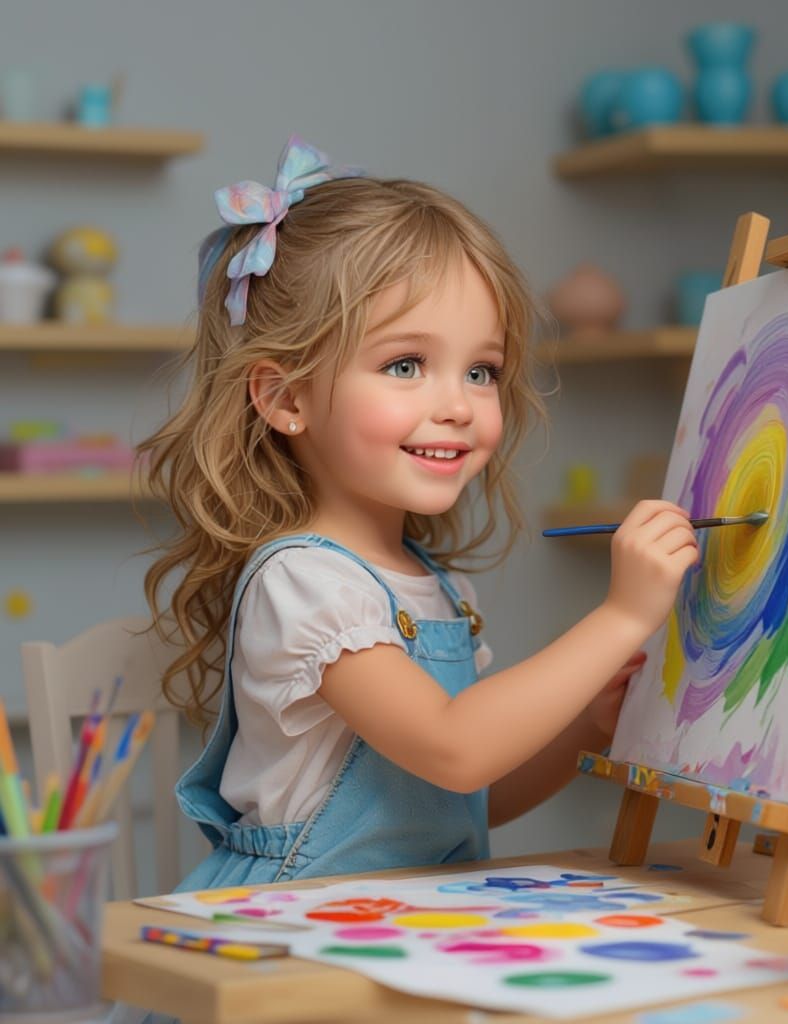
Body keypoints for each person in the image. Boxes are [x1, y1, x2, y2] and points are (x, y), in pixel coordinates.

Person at [143, 136, 698, 892]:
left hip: (396, 921)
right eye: (406, 365)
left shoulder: (437, 590)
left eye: (482, 371)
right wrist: (622, 616)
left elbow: (467, 795)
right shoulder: (304, 584)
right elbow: (455, 748)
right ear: (285, 398)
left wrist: (582, 731)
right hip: (280, 938)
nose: (458, 406)